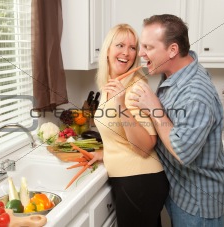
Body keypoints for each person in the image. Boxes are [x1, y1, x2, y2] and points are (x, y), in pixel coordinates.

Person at [128, 14, 224, 227]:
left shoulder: (196, 92)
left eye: (148, 47)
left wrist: (155, 109)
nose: (141, 53)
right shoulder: (173, 71)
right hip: (180, 190)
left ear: (173, 50)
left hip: (199, 201)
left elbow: (183, 150)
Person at [89, 24, 169, 227]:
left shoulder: (135, 88)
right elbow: (118, 137)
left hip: (140, 181)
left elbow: (145, 146)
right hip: (129, 179)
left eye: (133, 47)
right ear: (107, 50)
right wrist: (104, 153)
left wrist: (122, 104)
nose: (126, 52)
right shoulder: (111, 84)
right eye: (120, 45)